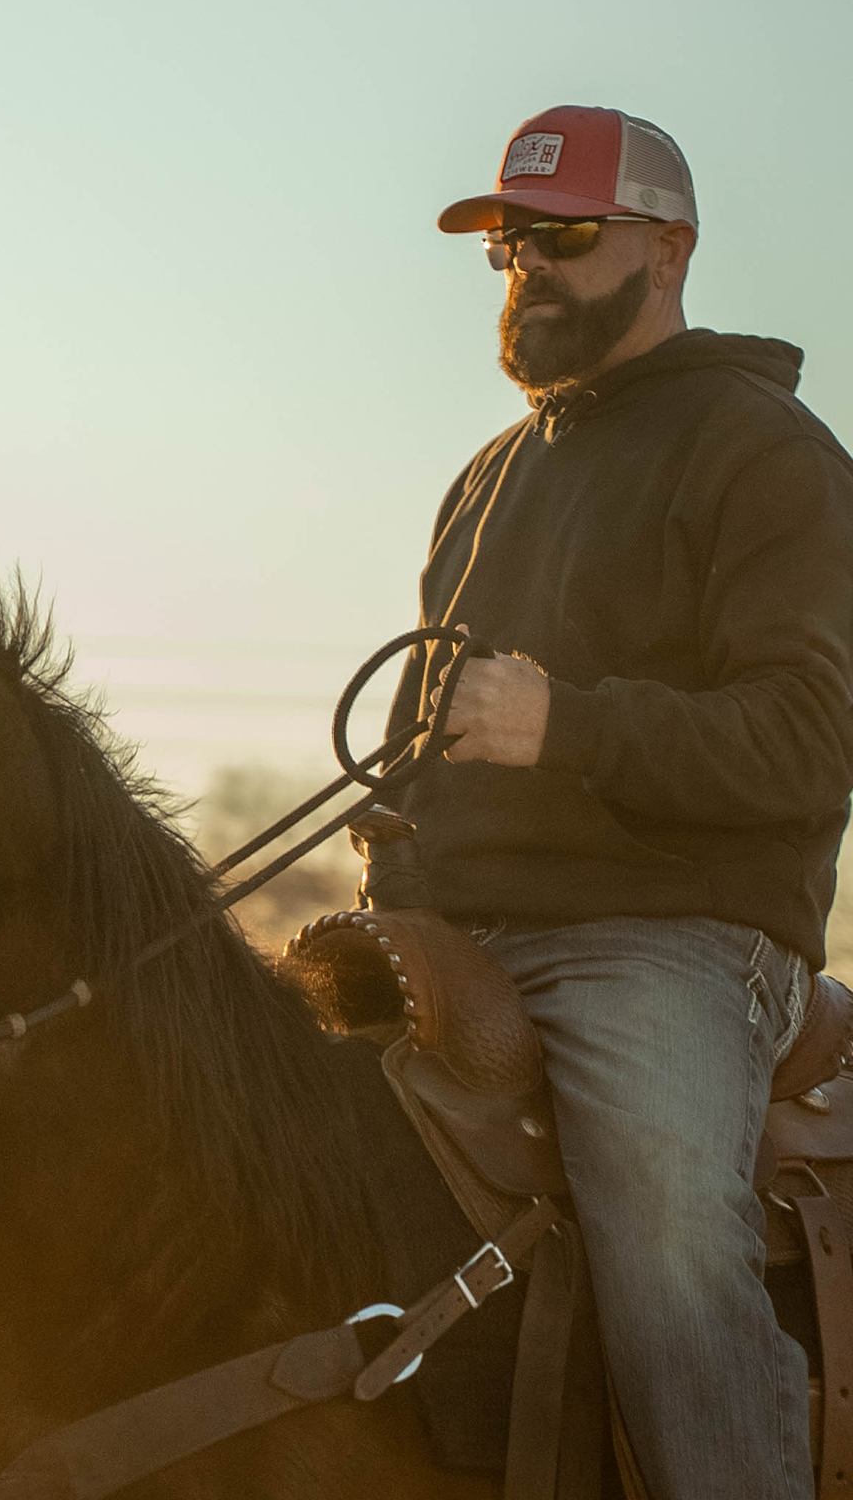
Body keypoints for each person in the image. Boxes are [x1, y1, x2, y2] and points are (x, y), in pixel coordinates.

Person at [387, 104, 853, 1499]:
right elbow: (423, 740)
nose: (528, 265)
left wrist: (567, 728)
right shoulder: (487, 478)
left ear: (670, 249)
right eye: (509, 243)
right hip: (454, 934)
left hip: (668, 939)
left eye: (566, 235)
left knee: (663, 1226)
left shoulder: (766, 451)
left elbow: (813, 739)